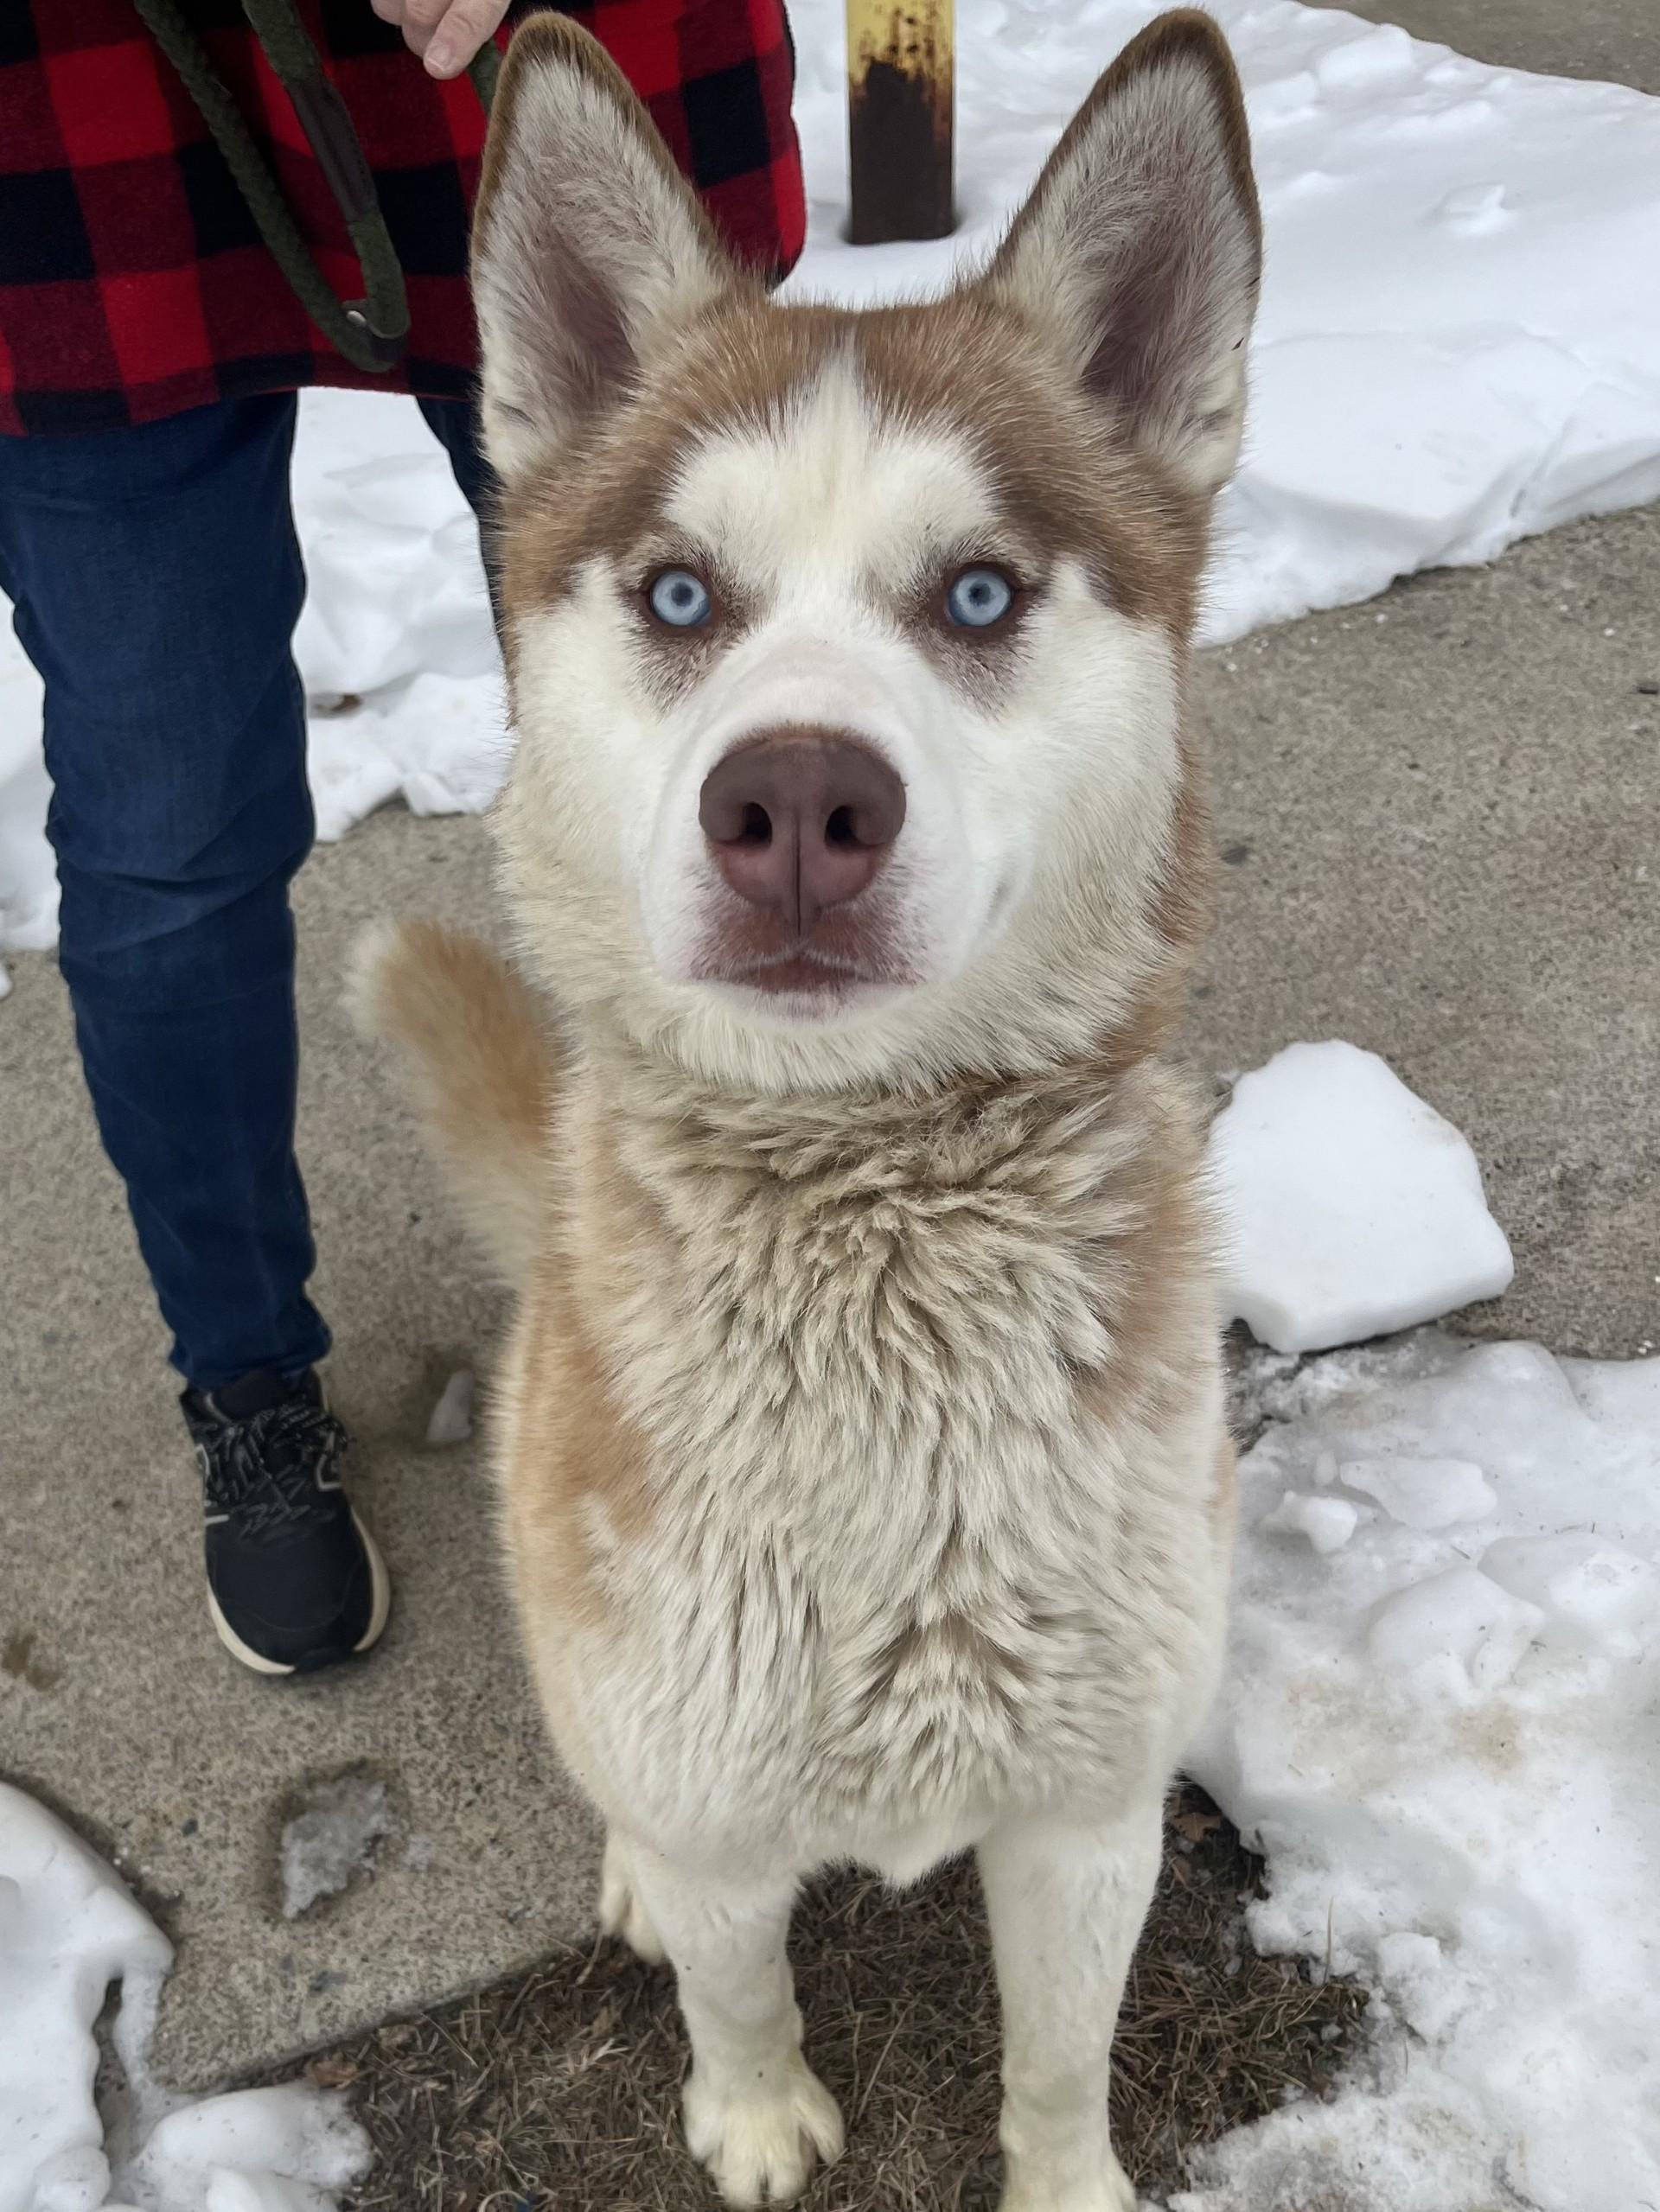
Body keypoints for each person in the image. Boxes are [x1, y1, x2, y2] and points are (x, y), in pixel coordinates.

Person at [0, 0, 805, 1675]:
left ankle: (753, 1322)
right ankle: (245, 1378)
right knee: (165, 844)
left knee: (699, 739)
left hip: (519, 54)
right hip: (72, 98)